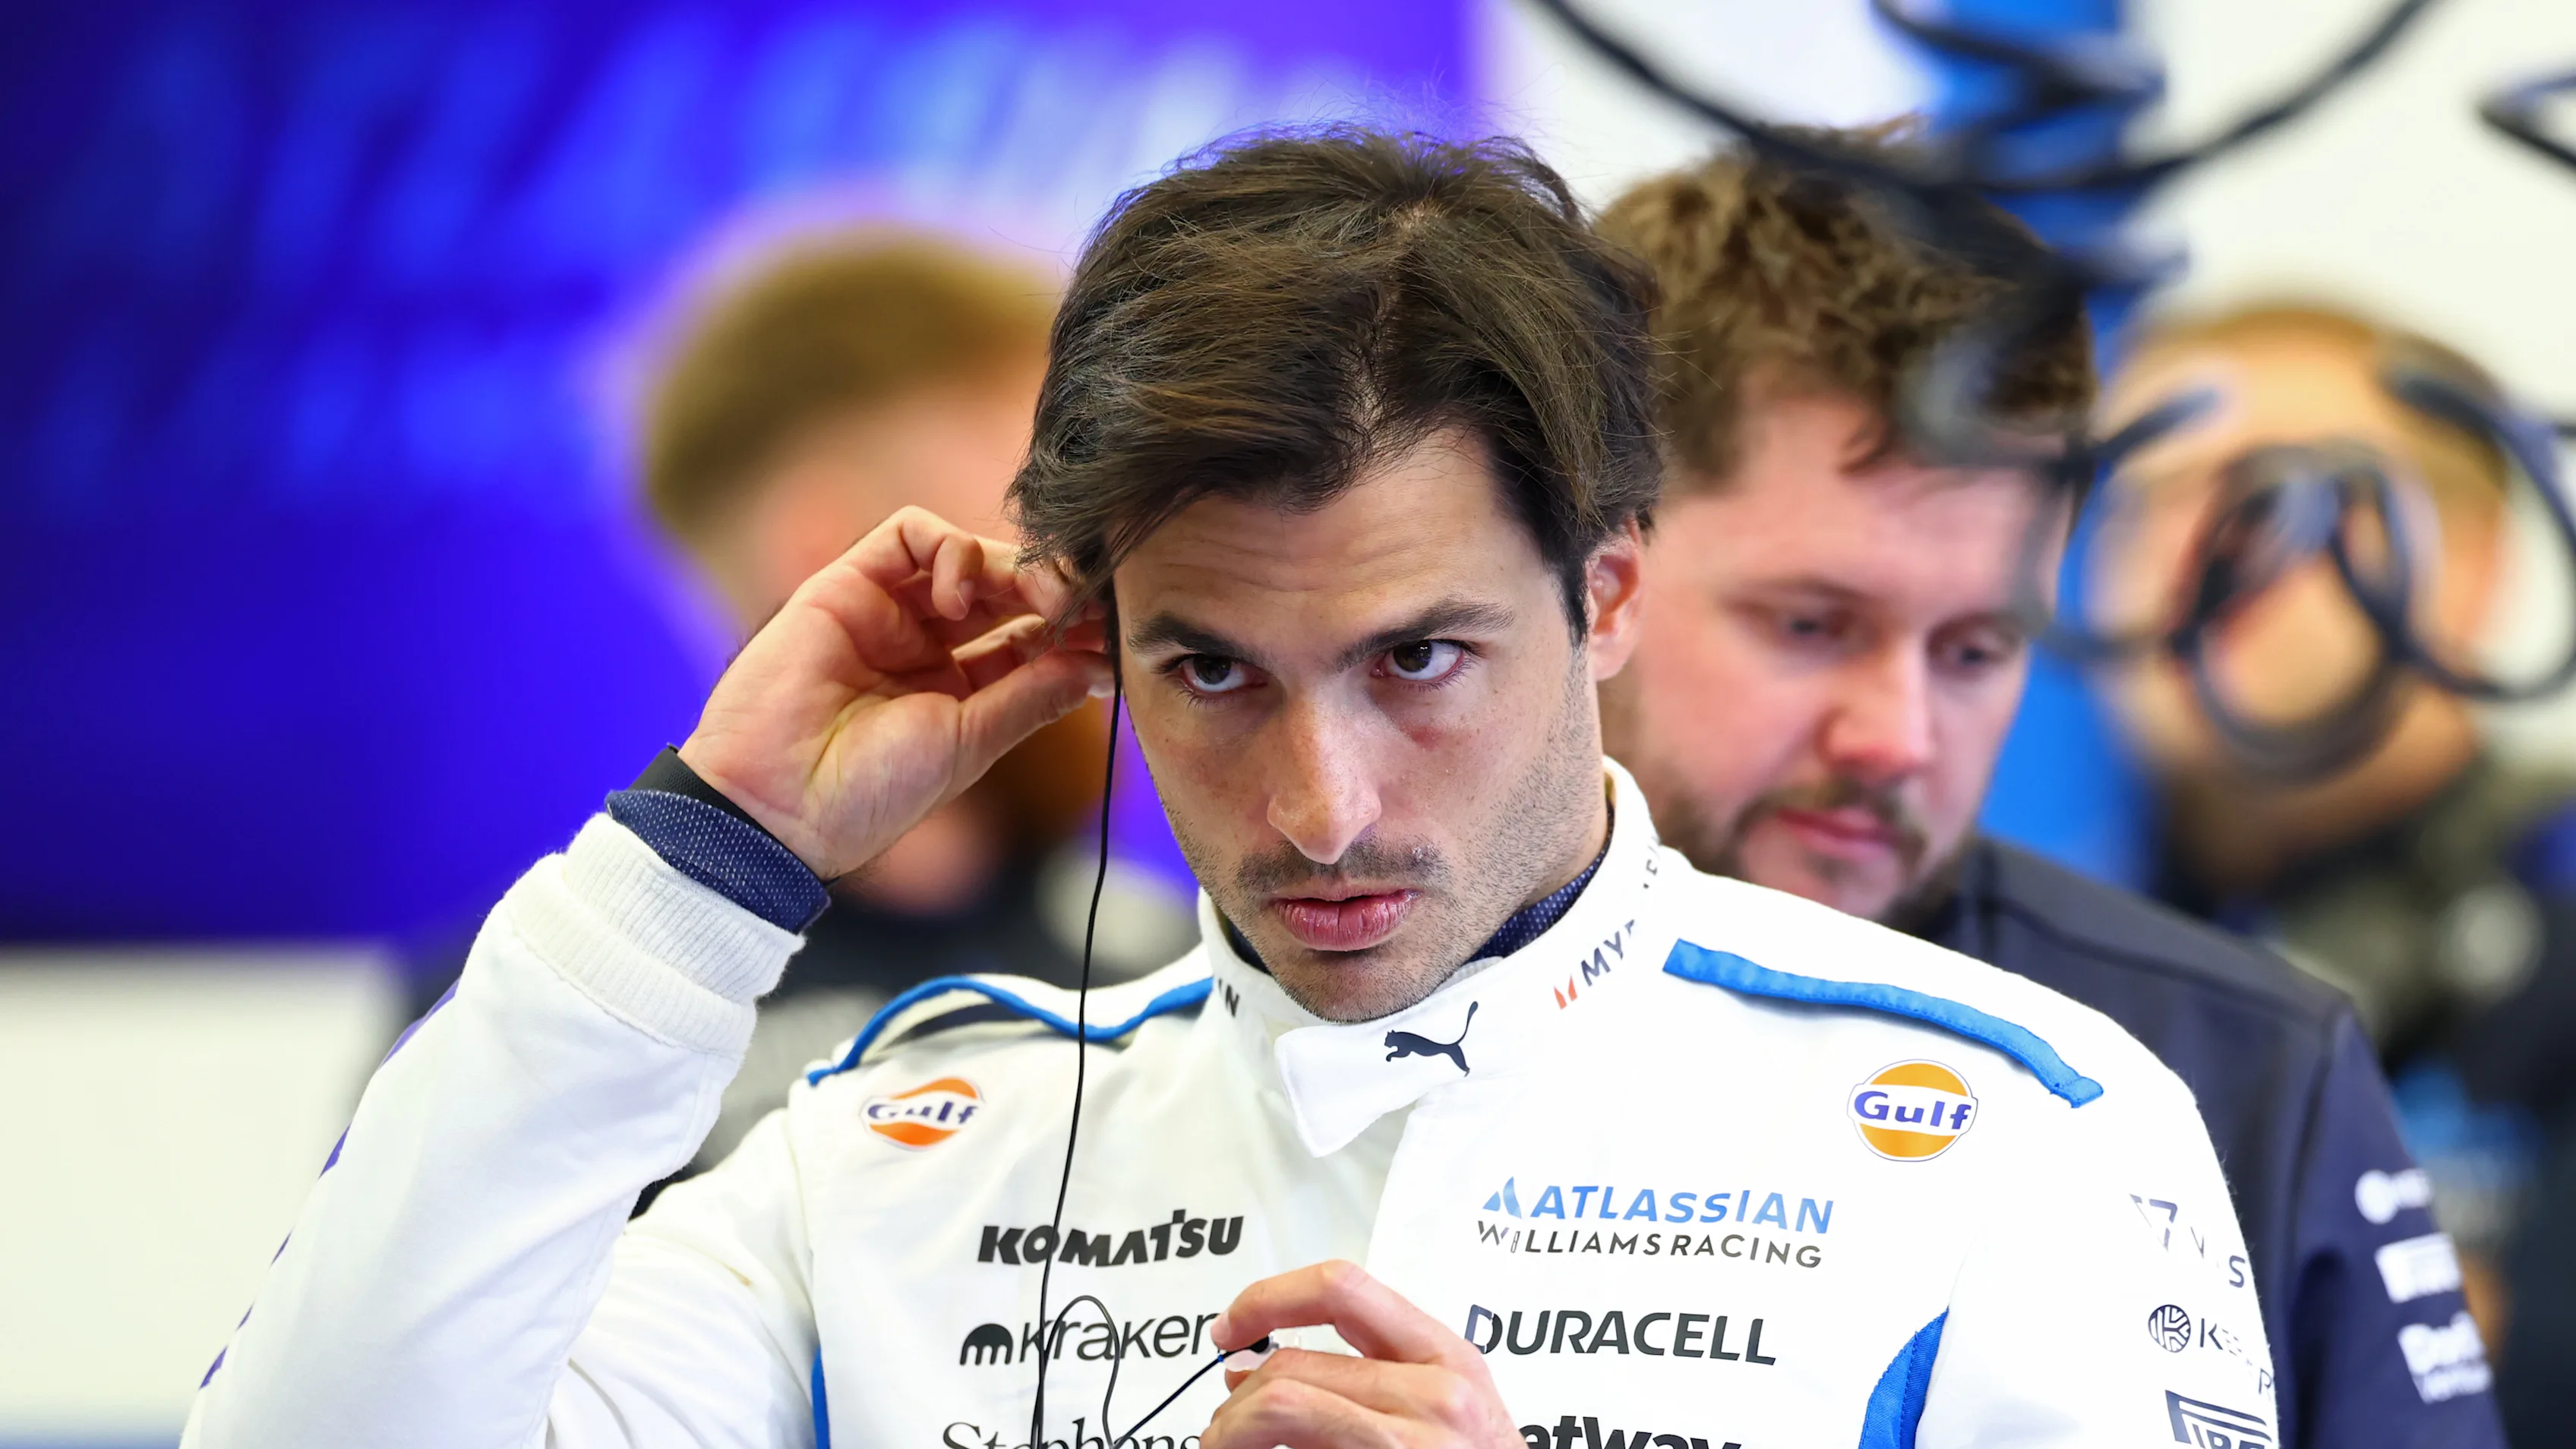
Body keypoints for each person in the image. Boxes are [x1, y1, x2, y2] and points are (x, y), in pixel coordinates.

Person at [185, 128, 2273, 1449]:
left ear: (1607, 594)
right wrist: (699, 862)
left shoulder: (2017, 1127)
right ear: (1095, 637)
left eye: (1417, 659)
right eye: (1211, 670)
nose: (1322, 804)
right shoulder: (895, 1154)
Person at [1591, 139, 2502, 1448]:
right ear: (1589, 568)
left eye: (1976, 648)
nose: (1897, 737)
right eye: (1811, 624)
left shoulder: (2242, 1074)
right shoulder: (1339, 989)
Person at [2091, 302, 2576, 1445]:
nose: (2193, 551)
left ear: (2469, 568)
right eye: (2145, 498)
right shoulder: (1990, 925)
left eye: (2280, 494)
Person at [639, 234, 1194, 1163]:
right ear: (827, 543)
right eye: (1042, 472)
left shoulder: (1172, 967)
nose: (1096, 538)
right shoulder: (577, 1023)